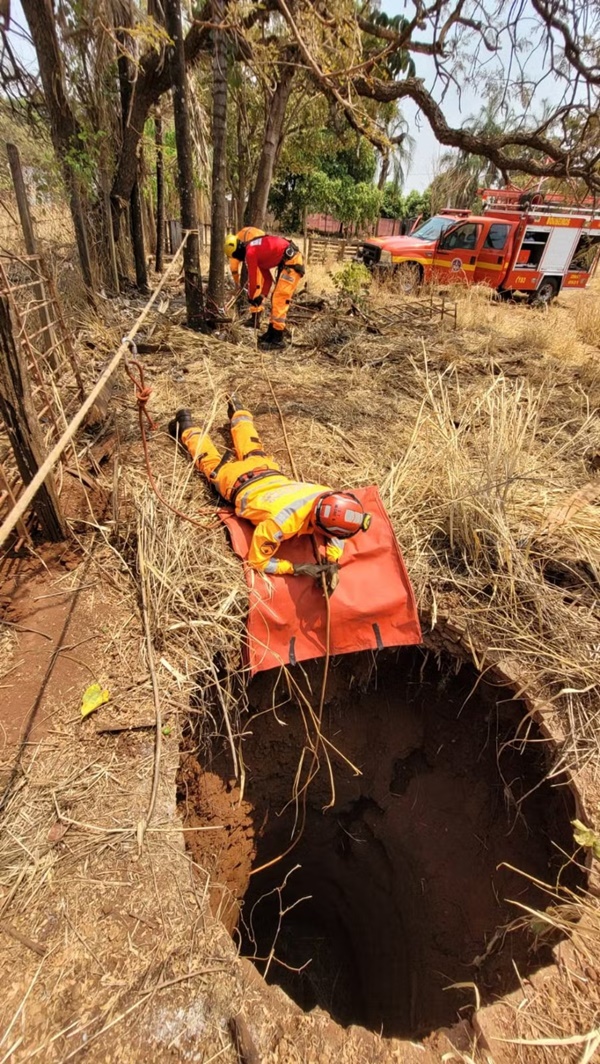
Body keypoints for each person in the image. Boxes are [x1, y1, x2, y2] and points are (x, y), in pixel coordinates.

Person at [168, 400, 371, 587]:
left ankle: (238, 410)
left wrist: (333, 560)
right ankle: (186, 428)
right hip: (235, 482)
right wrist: (296, 568)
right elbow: (257, 561)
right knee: (210, 462)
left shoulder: (327, 495)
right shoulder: (281, 523)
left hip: (265, 468)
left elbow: (337, 523)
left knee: (253, 447)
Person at [224, 231, 305, 348]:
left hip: (292, 262)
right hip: (289, 261)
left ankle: (277, 339)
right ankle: (272, 333)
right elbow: (267, 279)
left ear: (236, 252)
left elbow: (252, 278)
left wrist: (251, 297)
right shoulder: (255, 250)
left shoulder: (250, 253)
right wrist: (261, 296)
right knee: (275, 297)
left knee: (280, 298)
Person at [224, 226, 265, 327]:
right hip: (264, 243)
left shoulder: (234, 247)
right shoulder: (239, 236)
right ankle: (258, 313)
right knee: (261, 283)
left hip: (259, 251)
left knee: (256, 285)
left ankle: (255, 318)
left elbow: (234, 268)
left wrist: (237, 283)